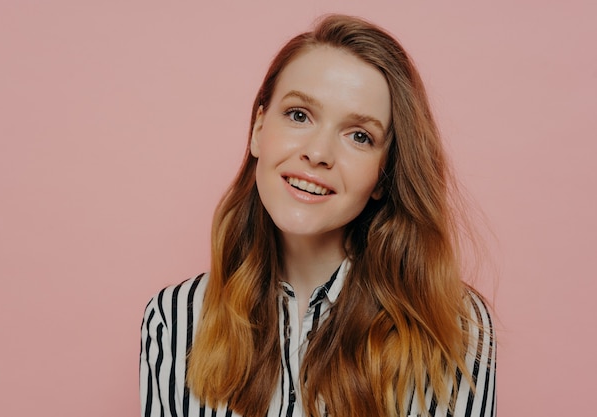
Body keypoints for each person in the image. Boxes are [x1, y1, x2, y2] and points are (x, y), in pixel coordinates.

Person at [140, 14, 496, 417]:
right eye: (299, 115)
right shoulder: (174, 320)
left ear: (384, 174)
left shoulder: (453, 327)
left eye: (359, 136)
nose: (319, 153)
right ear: (258, 126)